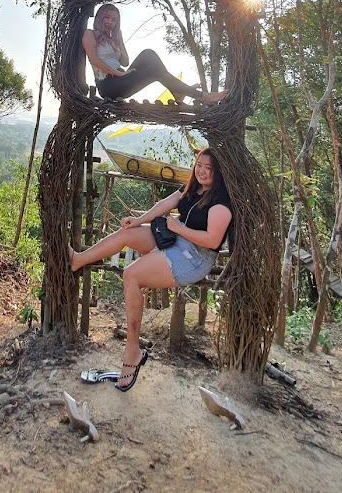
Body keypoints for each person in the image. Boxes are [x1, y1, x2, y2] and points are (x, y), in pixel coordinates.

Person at [70, 148, 232, 391]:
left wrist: (178, 229)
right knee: (127, 232)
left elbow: (211, 241)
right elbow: (165, 203)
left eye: (209, 168)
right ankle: (78, 260)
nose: (202, 171)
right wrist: (138, 221)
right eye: (200, 164)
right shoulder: (192, 187)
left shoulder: (221, 202)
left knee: (131, 275)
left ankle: (133, 351)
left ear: (218, 172)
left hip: (195, 257)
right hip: (177, 238)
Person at [83, 3, 226, 104]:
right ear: (100, 17)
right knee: (154, 71)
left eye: (114, 19)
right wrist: (120, 74)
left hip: (121, 78)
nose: (110, 22)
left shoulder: (112, 38)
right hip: (109, 86)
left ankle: (177, 91)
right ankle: (201, 96)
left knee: (148, 54)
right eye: (107, 17)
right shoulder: (89, 35)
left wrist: (119, 39)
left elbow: (125, 62)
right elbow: (95, 61)